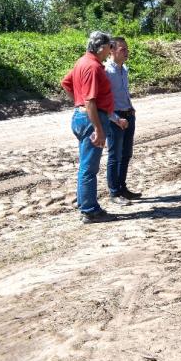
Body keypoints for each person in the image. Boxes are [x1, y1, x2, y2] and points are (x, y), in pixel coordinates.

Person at [61, 31, 128, 223]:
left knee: (86, 166)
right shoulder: (93, 67)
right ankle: (90, 210)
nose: (111, 51)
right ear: (101, 47)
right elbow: (91, 101)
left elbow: (66, 83)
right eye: (110, 47)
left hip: (84, 117)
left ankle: (86, 205)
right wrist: (98, 128)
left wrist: (78, 102)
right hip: (91, 119)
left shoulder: (83, 62)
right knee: (89, 168)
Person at [104, 37, 142, 206]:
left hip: (128, 113)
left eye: (127, 49)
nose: (126, 52)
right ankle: (114, 192)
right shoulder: (106, 70)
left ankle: (122, 187)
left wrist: (131, 108)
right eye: (123, 50)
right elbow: (104, 99)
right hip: (115, 117)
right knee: (115, 155)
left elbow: (124, 92)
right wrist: (115, 118)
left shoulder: (123, 69)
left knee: (126, 154)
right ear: (111, 50)